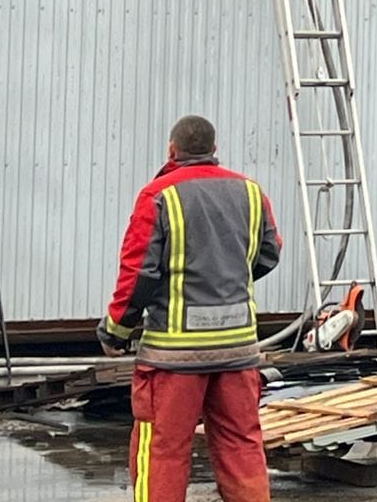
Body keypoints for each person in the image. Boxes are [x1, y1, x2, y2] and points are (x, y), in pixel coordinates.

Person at [97, 115, 281, 502]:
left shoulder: (158, 196)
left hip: (173, 357)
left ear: (171, 150)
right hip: (238, 351)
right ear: (215, 150)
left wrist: (117, 329)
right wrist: (225, 280)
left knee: (162, 451)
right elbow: (269, 253)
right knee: (242, 447)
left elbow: (138, 273)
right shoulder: (250, 192)